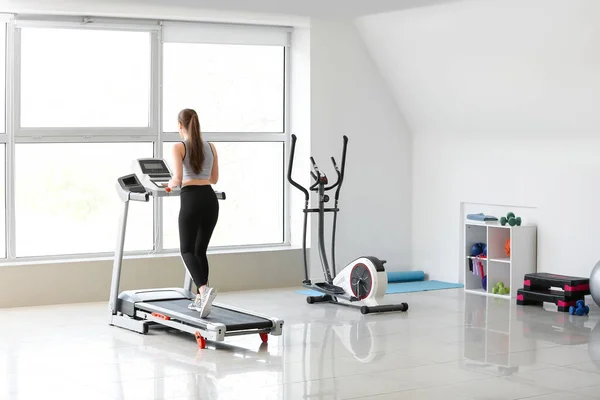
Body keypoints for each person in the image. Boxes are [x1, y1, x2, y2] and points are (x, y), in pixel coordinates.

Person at [168, 108, 219, 318]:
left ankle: (203, 290)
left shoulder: (179, 147)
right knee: (200, 251)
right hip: (210, 198)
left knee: (186, 250)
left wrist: (169, 184)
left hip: (191, 199)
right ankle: (201, 299)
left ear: (180, 126)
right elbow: (214, 179)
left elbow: (178, 179)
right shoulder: (211, 147)